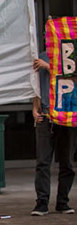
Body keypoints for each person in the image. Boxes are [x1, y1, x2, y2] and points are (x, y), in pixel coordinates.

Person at [31, 52, 77, 216]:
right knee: (43, 162)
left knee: (67, 162)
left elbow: (72, 78)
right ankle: (41, 203)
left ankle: (63, 202)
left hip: (67, 116)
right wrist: (35, 108)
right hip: (46, 115)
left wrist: (50, 68)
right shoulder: (41, 55)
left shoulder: (71, 53)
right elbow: (37, 85)